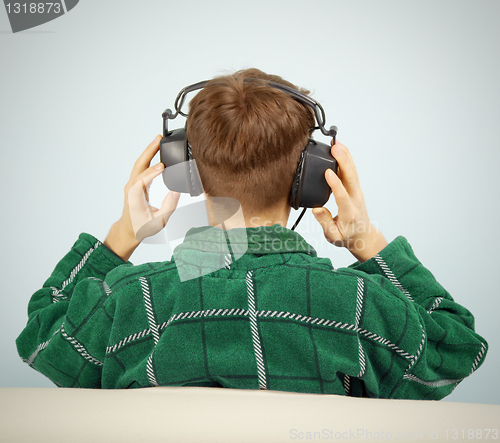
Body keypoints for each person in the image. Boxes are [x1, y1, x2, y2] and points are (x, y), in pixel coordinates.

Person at [16, 68, 487, 399]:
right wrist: (367, 242)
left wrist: (122, 236)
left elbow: (41, 337)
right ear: (312, 177)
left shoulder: (128, 302)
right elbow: (458, 348)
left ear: (186, 172)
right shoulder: (363, 306)